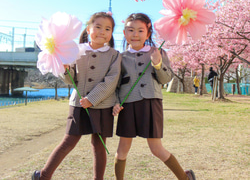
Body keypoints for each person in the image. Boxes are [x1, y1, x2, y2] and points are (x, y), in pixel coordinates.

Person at [32, 12, 121, 180]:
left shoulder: (114, 55)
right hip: (78, 104)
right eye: (98, 27)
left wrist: (92, 99)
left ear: (111, 34)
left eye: (107, 29)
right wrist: (65, 69)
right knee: (69, 141)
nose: (102, 31)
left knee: (99, 145)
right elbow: (70, 79)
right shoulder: (75, 51)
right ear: (88, 29)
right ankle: (43, 176)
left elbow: (111, 81)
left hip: (102, 106)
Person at [113, 13, 196, 180]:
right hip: (126, 105)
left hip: (151, 104)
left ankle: (184, 178)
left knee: (156, 148)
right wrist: (115, 102)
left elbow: (166, 79)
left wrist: (157, 63)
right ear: (124, 33)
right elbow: (114, 85)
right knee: (123, 148)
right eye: (131, 30)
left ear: (148, 34)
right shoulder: (119, 58)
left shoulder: (158, 52)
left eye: (140, 30)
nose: (135, 34)